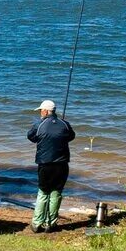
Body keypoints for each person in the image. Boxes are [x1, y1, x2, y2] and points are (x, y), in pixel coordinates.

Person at [27, 99, 75, 233]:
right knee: (56, 192)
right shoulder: (65, 124)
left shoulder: (39, 125)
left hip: (45, 164)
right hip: (62, 165)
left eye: (41, 111)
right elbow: (71, 136)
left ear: (46, 111)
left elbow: (30, 137)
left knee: (43, 192)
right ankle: (51, 224)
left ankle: (37, 223)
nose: (40, 113)